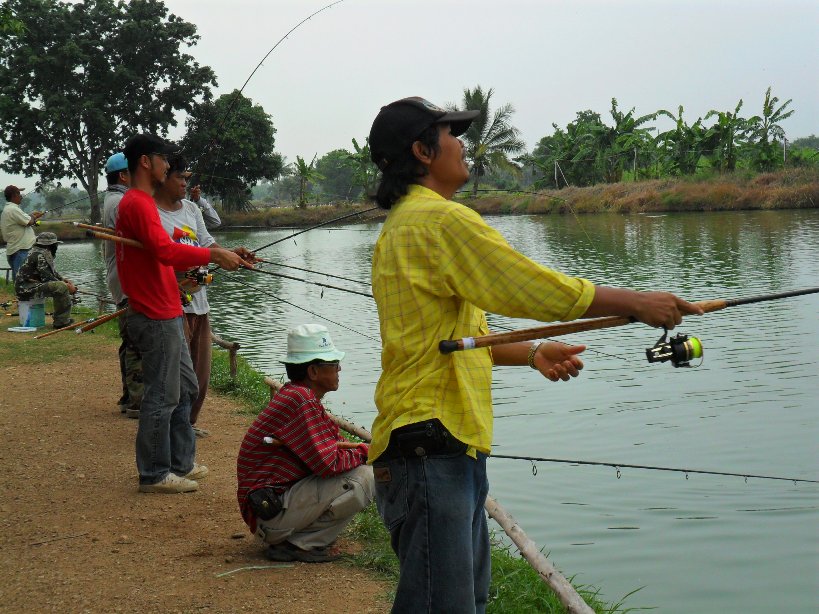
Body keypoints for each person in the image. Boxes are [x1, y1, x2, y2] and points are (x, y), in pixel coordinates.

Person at [366, 96, 704, 613]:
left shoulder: (401, 227)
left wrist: (532, 354)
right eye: (451, 134)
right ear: (422, 151)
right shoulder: (439, 220)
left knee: (461, 603)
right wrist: (635, 301)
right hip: (430, 445)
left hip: (436, 443)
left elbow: (461, 338)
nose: (463, 144)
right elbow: (533, 287)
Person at [116, 133, 251, 494]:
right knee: (162, 395)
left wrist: (220, 253)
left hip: (170, 305)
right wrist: (214, 256)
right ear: (147, 161)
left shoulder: (138, 202)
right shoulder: (139, 203)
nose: (168, 167)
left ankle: (180, 463)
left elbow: (170, 251)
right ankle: (155, 474)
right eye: (164, 160)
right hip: (155, 313)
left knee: (185, 388)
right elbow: (166, 251)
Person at [236, 324, 374, 563]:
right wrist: (364, 452)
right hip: (269, 512)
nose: (339, 368)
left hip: (268, 509)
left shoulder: (297, 395)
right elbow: (328, 463)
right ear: (313, 371)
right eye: (333, 364)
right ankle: (300, 544)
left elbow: (332, 444)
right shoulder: (300, 400)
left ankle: (301, 538)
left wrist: (359, 450)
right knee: (367, 478)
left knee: (360, 469)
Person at [155, 154, 253, 437]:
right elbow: (164, 254)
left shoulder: (191, 209)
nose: (186, 183)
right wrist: (214, 256)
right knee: (177, 374)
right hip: (172, 303)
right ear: (163, 178)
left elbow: (208, 244)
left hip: (199, 301)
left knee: (201, 371)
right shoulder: (153, 214)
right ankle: (173, 429)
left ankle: (187, 423)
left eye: (188, 178)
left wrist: (232, 254)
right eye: (180, 178)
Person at [101, 152, 142, 418]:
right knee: (137, 342)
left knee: (129, 340)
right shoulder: (120, 202)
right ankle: (137, 401)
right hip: (127, 282)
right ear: (123, 175)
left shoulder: (112, 199)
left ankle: (129, 396)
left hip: (120, 280)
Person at [14, 232, 76, 329]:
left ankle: (62, 320)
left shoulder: (37, 252)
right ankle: (61, 322)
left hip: (26, 287)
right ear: (51, 245)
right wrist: (68, 287)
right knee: (61, 287)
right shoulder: (41, 255)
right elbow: (48, 278)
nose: (57, 247)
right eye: (56, 245)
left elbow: (53, 273)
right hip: (25, 290)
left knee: (62, 284)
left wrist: (64, 280)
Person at [1, 185, 43, 279]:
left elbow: (24, 220)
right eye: (19, 193)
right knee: (22, 280)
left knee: (20, 279)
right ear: (13, 195)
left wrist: (31, 216)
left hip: (17, 249)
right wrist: (33, 216)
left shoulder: (10, 209)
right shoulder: (13, 209)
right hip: (20, 250)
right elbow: (29, 222)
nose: (21, 196)